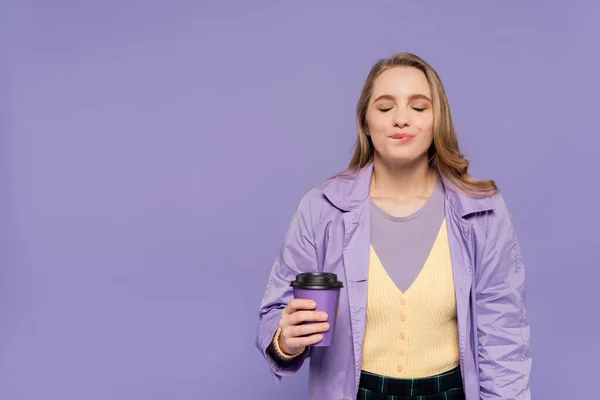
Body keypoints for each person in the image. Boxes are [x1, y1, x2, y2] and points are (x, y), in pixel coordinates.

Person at [255, 52, 531, 400]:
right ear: (366, 123)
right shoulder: (322, 208)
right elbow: (274, 315)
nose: (401, 119)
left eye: (418, 107)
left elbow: (503, 339)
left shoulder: (482, 211)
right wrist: (285, 341)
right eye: (385, 108)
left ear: (437, 120)